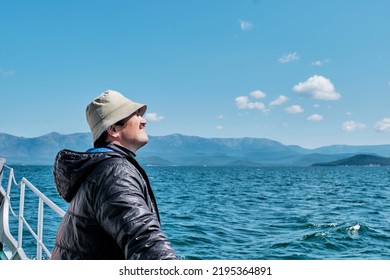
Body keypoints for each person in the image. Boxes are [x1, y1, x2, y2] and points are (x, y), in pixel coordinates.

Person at [51, 90, 177, 260]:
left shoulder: (95, 170)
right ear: (113, 129)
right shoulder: (114, 173)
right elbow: (144, 240)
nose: (144, 120)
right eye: (135, 114)